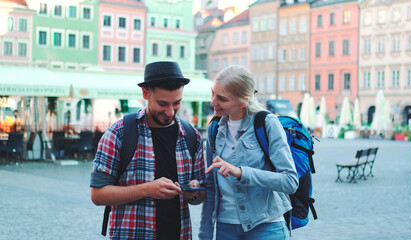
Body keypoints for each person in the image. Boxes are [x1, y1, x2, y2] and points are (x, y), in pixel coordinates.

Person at [90, 61, 206, 240]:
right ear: (145, 93)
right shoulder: (119, 133)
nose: (170, 112)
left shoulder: (192, 136)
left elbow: (200, 195)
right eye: (162, 104)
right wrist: (147, 190)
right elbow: (98, 194)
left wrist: (194, 192)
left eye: (176, 103)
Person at [198, 65, 299, 240]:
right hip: (225, 228)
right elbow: (212, 187)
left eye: (221, 98)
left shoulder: (267, 123)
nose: (213, 102)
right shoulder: (214, 128)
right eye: (212, 93)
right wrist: (205, 234)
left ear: (243, 101)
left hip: (266, 227)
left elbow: (290, 181)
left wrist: (241, 172)